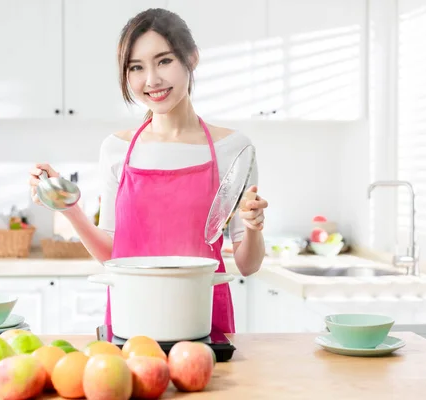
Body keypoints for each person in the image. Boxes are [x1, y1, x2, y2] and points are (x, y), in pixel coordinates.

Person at [29, 8, 268, 334]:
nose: (151, 79)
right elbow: (112, 254)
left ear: (192, 58)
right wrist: (70, 209)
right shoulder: (116, 150)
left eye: (164, 61)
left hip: (202, 316)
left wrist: (253, 227)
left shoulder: (235, 149)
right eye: (136, 67)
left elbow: (248, 264)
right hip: (132, 315)